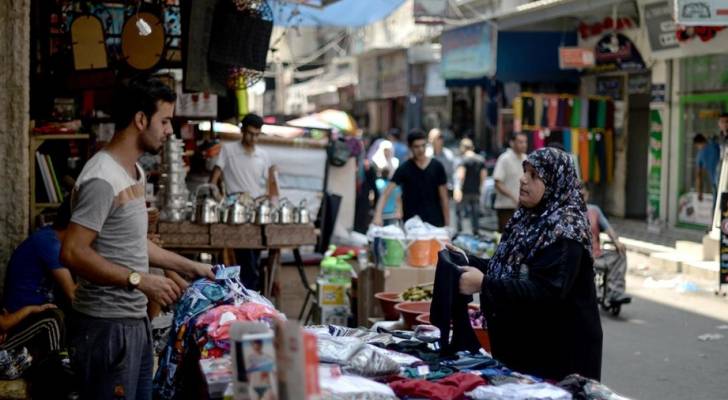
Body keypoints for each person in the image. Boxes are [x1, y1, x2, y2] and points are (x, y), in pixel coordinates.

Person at [61, 76, 215, 400]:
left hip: (134, 322)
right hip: (105, 328)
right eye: (165, 121)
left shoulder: (134, 171)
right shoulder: (102, 177)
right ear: (141, 119)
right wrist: (139, 280)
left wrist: (191, 268)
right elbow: (73, 252)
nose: (169, 131)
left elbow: (133, 243)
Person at [457, 148, 602, 381]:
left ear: (555, 183)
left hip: (560, 353)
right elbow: (509, 267)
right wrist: (466, 260)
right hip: (530, 345)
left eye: (534, 175)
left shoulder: (565, 230)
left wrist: (485, 284)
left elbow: (547, 291)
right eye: (525, 171)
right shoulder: (530, 217)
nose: (523, 179)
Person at [210, 113, 279, 290]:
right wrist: (218, 198)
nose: (253, 138)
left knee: (253, 259)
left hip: (256, 213)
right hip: (235, 212)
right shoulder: (228, 149)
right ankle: (245, 294)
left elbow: (270, 184)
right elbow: (213, 180)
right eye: (249, 133)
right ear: (242, 130)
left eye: (257, 134)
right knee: (243, 260)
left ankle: (247, 294)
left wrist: (270, 201)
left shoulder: (263, 155)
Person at [4, 198, 76, 314]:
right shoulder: (49, 242)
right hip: (23, 316)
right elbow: (73, 295)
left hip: (41, 309)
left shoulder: (51, 237)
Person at [373, 129, 450, 228]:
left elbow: (444, 197)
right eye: (417, 146)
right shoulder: (404, 168)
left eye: (423, 145)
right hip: (412, 226)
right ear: (410, 147)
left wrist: (447, 225)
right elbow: (386, 193)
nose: (421, 150)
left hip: (435, 224)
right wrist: (378, 215)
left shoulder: (437, 167)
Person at [582, 188, 631, 305]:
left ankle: (615, 292)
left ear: (587, 195)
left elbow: (607, 227)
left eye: (583, 194)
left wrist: (616, 241)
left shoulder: (594, 210)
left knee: (620, 254)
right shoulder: (570, 211)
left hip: (597, 255)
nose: (581, 197)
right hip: (582, 257)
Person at [493, 132, 528, 232]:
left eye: (525, 142)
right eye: (520, 142)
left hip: (523, 207)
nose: (524, 145)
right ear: (512, 143)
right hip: (506, 206)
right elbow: (498, 182)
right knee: (505, 237)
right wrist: (514, 197)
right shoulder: (504, 159)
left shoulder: (526, 159)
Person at [454, 138, 486, 235]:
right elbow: (483, 176)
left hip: (465, 191)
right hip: (476, 191)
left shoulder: (463, 160)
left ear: (463, 148)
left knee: (459, 212)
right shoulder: (480, 159)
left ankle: (459, 232)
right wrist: (480, 188)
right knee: (475, 213)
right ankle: (475, 231)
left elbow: (461, 176)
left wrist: (458, 189)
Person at [694, 133, 720, 205]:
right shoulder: (714, 144)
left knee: (718, 207)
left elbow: (698, 176)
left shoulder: (700, 155)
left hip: (716, 182)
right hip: (723, 177)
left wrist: (700, 192)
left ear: (698, 144)